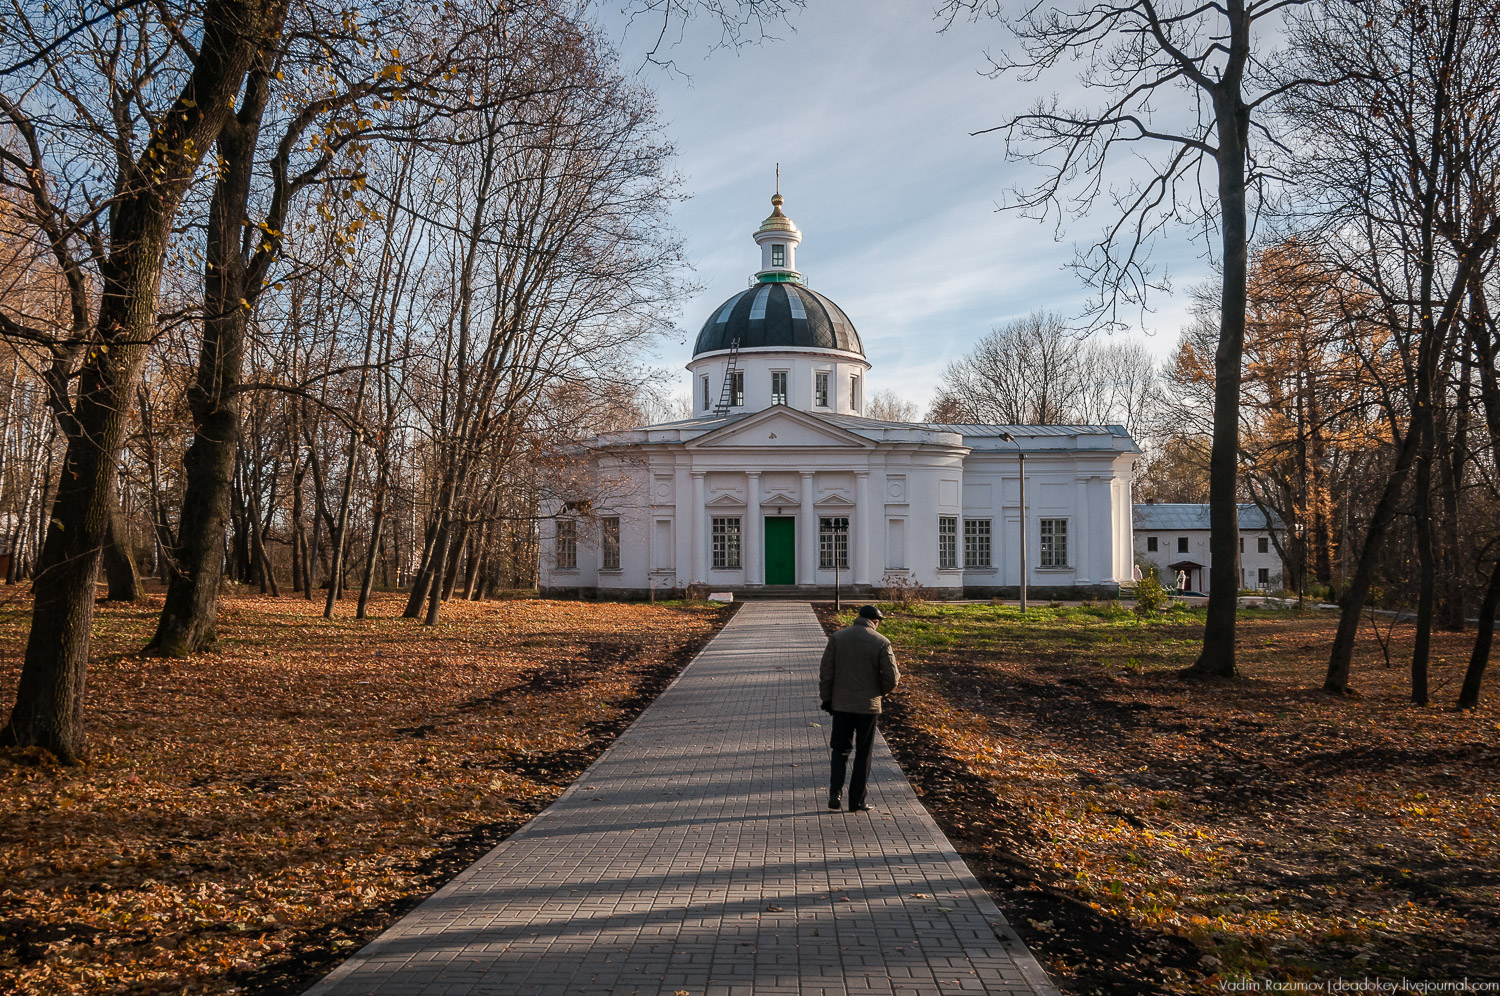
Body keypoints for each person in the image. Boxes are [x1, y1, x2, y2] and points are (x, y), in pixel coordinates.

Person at [819, 604, 899, 813]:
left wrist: (827, 699)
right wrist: (878, 692)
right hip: (868, 708)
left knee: (840, 750)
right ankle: (857, 801)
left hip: (842, 705)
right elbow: (892, 677)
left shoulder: (838, 638)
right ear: (876, 622)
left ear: (858, 618)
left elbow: (826, 672)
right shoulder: (881, 642)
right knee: (864, 754)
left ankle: (835, 792)